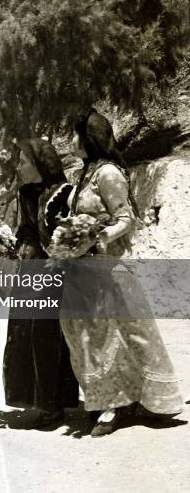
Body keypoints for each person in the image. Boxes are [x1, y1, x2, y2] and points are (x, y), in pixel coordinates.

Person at [61, 109, 183, 436]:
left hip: (107, 268)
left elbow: (126, 219)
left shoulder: (108, 174)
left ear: (88, 138)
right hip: (82, 271)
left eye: (73, 134)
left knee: (119, 334)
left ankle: (117, 406)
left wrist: (96, 237)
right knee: (86, 336)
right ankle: (105, 398)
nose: (69, 140)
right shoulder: (84, 173)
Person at [2, 139, 79, 428]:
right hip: (30, 271)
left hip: (55, 273)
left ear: (39, 164)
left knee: (48, 337)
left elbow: (68, 234)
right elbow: (25, 231)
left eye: (23, 162)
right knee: (24, 333)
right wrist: (15, 245)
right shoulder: (24, 193)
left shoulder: (62, 193)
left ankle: (54, 404)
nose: (19, 167)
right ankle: (35, 398)